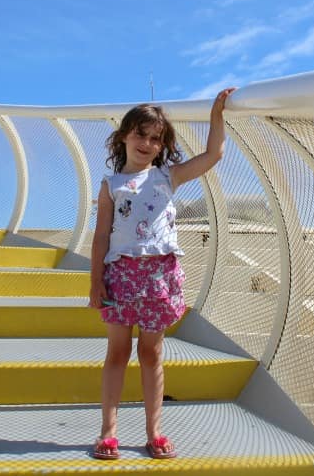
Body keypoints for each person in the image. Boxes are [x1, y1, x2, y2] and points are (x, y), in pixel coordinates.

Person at [89, 87, 236, 460]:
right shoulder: (110, 186)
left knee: (152, 353)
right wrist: (95, 284)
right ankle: (108, 432)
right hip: (121, 276)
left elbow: (213, 155)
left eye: (156, 139)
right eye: (140, 134)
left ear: (162, 147)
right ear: (123, 135)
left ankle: (155, 430)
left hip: (159, 276)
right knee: (118, 352)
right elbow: (101, 236)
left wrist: (216, 116)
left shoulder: (168, 177)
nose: (148, 143)